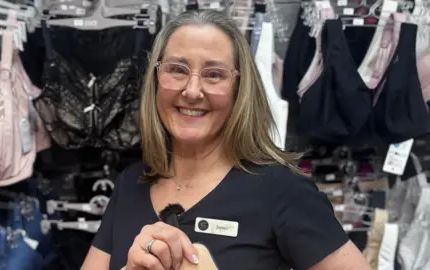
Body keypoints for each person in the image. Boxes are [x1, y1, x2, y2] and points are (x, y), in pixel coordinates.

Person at [81, 9, 371, 270]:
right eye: (177, 70)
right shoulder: (130, 184)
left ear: (239, 89)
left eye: (214, 75)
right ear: (156, 79)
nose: (192, 90)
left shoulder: (283, 192)